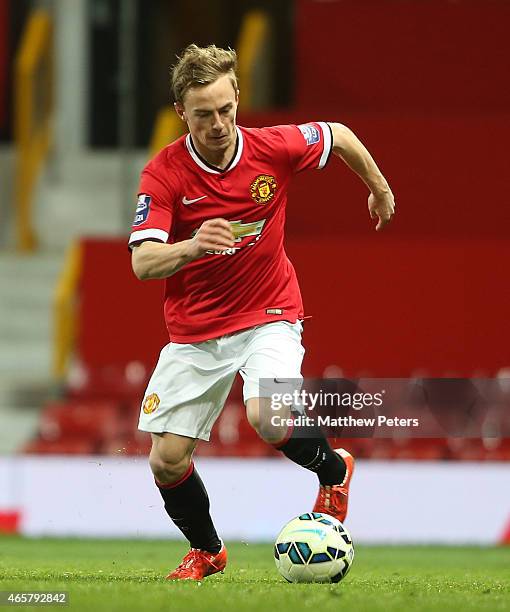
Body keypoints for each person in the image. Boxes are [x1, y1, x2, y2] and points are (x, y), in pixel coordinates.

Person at [129, 44, 395, 581]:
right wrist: (192, 246)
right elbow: (143, 262)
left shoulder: (272, 148)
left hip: (269, 312)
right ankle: (208, 551)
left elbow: (338, 134)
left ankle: (333, 471)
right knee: (167, 460)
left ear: (236, 99)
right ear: (182, 112)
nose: (220, 124)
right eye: (204, 114)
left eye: (227, 109)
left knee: (267, 415)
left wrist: (378, 187)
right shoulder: (164, 175)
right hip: (196, 331)